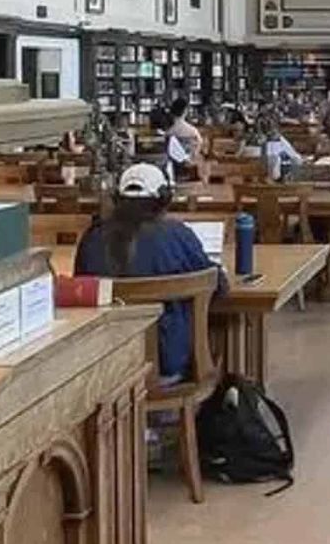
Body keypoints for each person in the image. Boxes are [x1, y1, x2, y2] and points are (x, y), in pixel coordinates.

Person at [74, 163, 227, 381]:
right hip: (167, 364)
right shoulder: (178, 236)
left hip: (107, 367)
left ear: (117, 199)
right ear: (164, 199)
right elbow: (219, 286)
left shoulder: (92, 239)